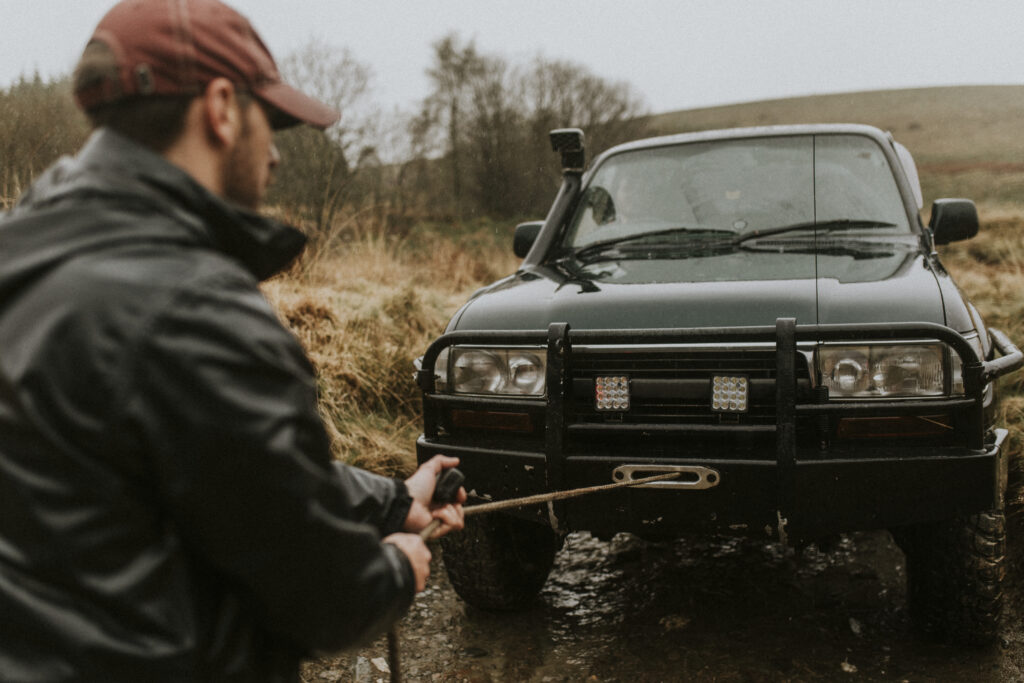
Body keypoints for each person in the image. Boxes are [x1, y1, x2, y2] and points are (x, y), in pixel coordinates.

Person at [0, 1, 464, 680]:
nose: (274, 152)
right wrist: (398, 565)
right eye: (267, 120)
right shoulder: (195, 310)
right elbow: (325, 599)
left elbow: (223, 466)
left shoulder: (21, 263)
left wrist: (396, 497)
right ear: (220, 107)